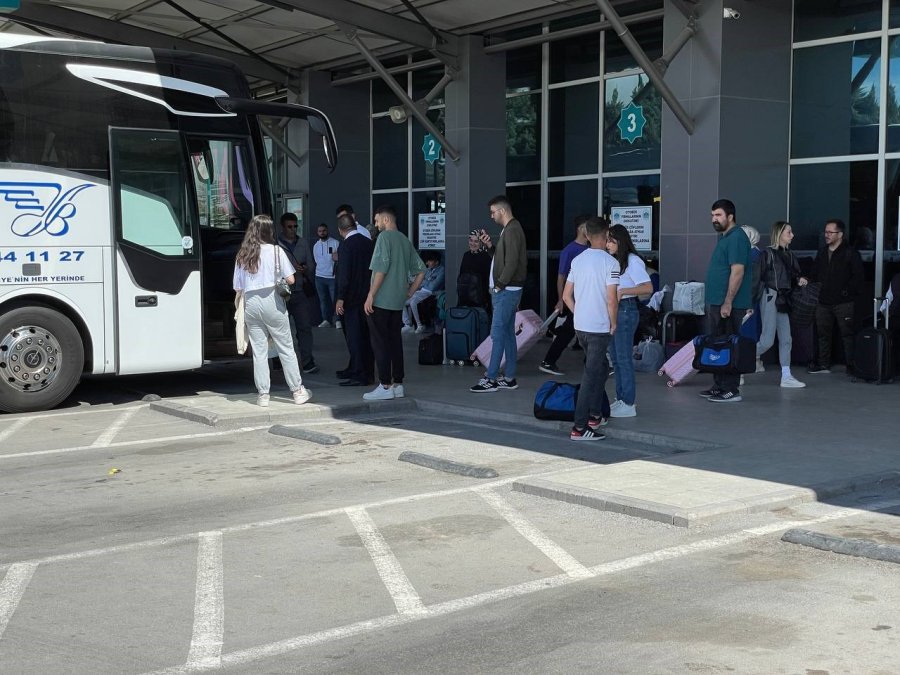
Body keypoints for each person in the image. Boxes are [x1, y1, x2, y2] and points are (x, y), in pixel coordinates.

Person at [232, 215, 312, 407]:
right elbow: (291, 280)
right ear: (269, 231)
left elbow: (237, 287)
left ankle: (263, 395)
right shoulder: (277, 251)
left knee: (259, 351)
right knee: (286, 347)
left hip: (251, 303)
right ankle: (297, 391)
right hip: (273, 301)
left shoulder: (243, 254)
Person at [562, 216, 619, 440]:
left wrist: (580, 312)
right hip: (598, 328)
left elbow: (566, 296)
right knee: (591, 374)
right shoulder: (611, 264)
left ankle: (595, 413)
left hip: (581, 327)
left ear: (586, 235)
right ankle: (580, 427)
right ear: (606, 236)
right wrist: (613, 322)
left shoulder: (578, 260)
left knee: (601, 367)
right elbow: (612, 299)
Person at [363, 205, 426, 401]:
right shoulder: (405, 240)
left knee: (380, 342)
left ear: (386, 219)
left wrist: (371, 294)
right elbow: (421, 271)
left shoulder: (384, 238)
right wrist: (409, 292)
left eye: (377, 220)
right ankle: (398, 384)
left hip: (381, 300)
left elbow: (380, 269)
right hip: (397, 301)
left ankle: (385, 384)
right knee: (394, 342)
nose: (376, 224)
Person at [470, 195, 528, 393]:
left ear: (502, 210)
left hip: (506, 290)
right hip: (509, 290)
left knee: (497, 334)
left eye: (493, 212)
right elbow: (503, 259)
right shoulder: (510, 229)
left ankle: (491, 378)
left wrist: (499, 285)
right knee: (507, 334)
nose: (492, 216)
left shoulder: (512, 230)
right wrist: (489, 247)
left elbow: (511, 263)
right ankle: (509, 377)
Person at [699, 198, 752, 403]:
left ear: (730, 217)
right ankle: (719, 385)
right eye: (712, 215)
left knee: (729, 346)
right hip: (717, 302)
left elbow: (737, 272)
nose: (714, 219)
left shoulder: (737, 238)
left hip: (729, 305)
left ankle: (731, 389)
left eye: (718, 215)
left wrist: (728, 302)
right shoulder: (725, 237)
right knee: (717, 345)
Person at [605, 223, 653, 417]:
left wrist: (623, 291)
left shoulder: (632, 261)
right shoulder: (616, 261)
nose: (607, 244)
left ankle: (629, 402)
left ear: (620, 241)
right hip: (616, 309)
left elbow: (647, 287)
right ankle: (621, 398)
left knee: (623, 358)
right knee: (616, 358)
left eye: (611, 240)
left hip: (626, 309)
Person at [808, 218, 864, 374]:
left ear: (840, 234)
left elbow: (858, 277)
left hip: (844, 302)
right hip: (823, 301)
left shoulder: (850, 253)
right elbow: (815, 272)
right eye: (825, 232)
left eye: (830, 232)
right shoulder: (822, 252)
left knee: (847, 335)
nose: (827, 235)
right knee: (822, 334)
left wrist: (845, 292)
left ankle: (851, 365)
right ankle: (823, 363)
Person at [756, 221, 808, 388]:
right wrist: (751, 302)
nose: (792, 235)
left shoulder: (790, 255)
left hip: (784, 299)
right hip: (771, 296)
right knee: (767, 341)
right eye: (789, 232)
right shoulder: (768, 254)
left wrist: (800, 279)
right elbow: (758, 279)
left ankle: (786, 375)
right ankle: (739, 361)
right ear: (779, 234)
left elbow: (795, 274)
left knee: (786, 339)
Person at [539, 215, 590, 377]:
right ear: (580, 229)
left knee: (576, 329)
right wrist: (561, 299)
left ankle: (590, 361)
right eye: (587, 227)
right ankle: (549, 360)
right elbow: (561, 276)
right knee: (572, 329)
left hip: (584, 296)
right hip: (574, 298)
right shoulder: (570, 250)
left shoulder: (589, 249)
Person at [334, 213, 375, 386]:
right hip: (367, 296)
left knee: (354, 337)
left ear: (340, 230)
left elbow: (344, 275)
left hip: (351, 299)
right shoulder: (368, 243)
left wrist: (340, 298)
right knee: (365, 337)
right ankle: (364, 370)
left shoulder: (346, 246)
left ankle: (360, 374)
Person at [276, 213, 319, 374]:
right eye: (289, 226)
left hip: (300, 290)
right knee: (280, 328)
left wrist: (305, 269)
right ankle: (278, 360)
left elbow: (312, 265)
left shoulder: (303, 242)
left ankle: (307, 361)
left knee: (304, 327)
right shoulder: (277, 244)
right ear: (283, 227)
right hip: (282, 292)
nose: (293, 229)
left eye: (295, 226)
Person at [402, 251, 445, 333]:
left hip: (432, 292)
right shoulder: (428, 270)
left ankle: (420, 325)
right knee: (401, 301)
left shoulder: (442, 271)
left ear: (436, 262)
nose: (427, 263)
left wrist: (425, 281)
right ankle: (407, 324)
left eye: (430, 261)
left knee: (413, 301)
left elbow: (433, 286)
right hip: (422, 290)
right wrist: (427, 280)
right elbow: (421, 281)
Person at [313, 223, 341, 329]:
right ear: (317, 232)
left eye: (324, 231)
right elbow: (316, 260)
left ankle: (338, 320)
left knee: (335, 300)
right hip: (319, 277)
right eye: (320, 231)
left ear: (327, 231)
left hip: (332, 277)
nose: (322, 233)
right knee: (323, 300)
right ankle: (326, 320)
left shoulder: (335, 243)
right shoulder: (316, 245)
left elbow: (340, 260)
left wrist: (337, 259)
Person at [739, 225, 764, 346]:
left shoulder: (753, 255)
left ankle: (750, 361)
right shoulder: (753, 253)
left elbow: (753, 281)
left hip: (749, 301)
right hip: (750, 299)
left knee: (748, 332)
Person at [457, 229, 493, 310]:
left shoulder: (486, 256)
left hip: (480, 300)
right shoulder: (466, 255)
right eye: (471, 240)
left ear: (481, 242)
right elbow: (462, 276)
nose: (473, 244)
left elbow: (488, 279)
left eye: (476, 241)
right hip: (464, 298)